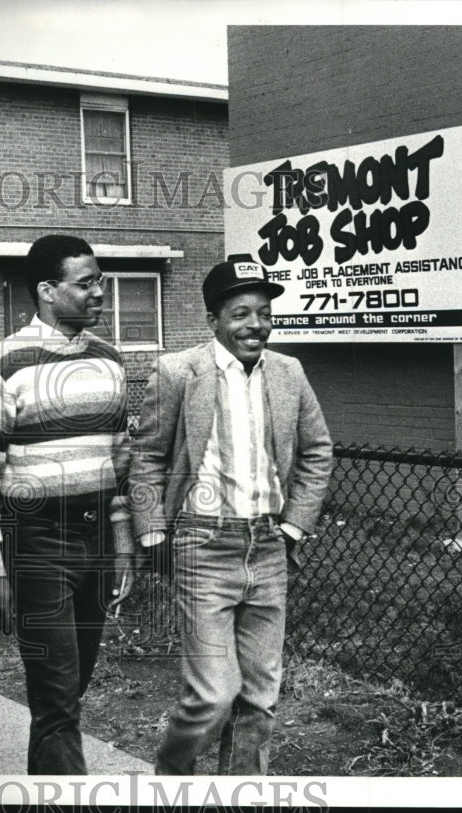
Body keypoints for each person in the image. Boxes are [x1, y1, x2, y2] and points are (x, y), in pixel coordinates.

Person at [129, 253, 333, 775]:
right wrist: (153, 535)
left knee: (260, 699)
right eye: (241, 313)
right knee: (213, 696)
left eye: (264, 313)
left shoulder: (288, 372)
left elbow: (317, 450)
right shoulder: (178, 371)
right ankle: (171, 784)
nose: (255, 325)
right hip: (202, 545)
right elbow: (148, 455)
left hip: (268, 545)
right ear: (214, 319)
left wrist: (293, 527)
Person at [0, 234, 135, 775]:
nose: (100, 293)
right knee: (56, 698)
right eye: (87, 284)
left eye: (100, 281)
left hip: (97, 541)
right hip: (37, 545)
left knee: (69, 691)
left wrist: (123, 542)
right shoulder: (2, 365)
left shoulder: (109, 360)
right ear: (47, 291)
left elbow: (121, 463)